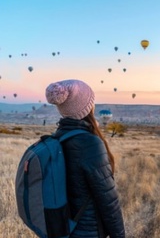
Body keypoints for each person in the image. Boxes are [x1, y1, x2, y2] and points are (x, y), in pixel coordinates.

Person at [45, 79, 125, 238]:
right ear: (88, 108)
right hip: (88, 231)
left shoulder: (57, 138)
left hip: (63, 228)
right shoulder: (90, 144)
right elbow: (108, 200)